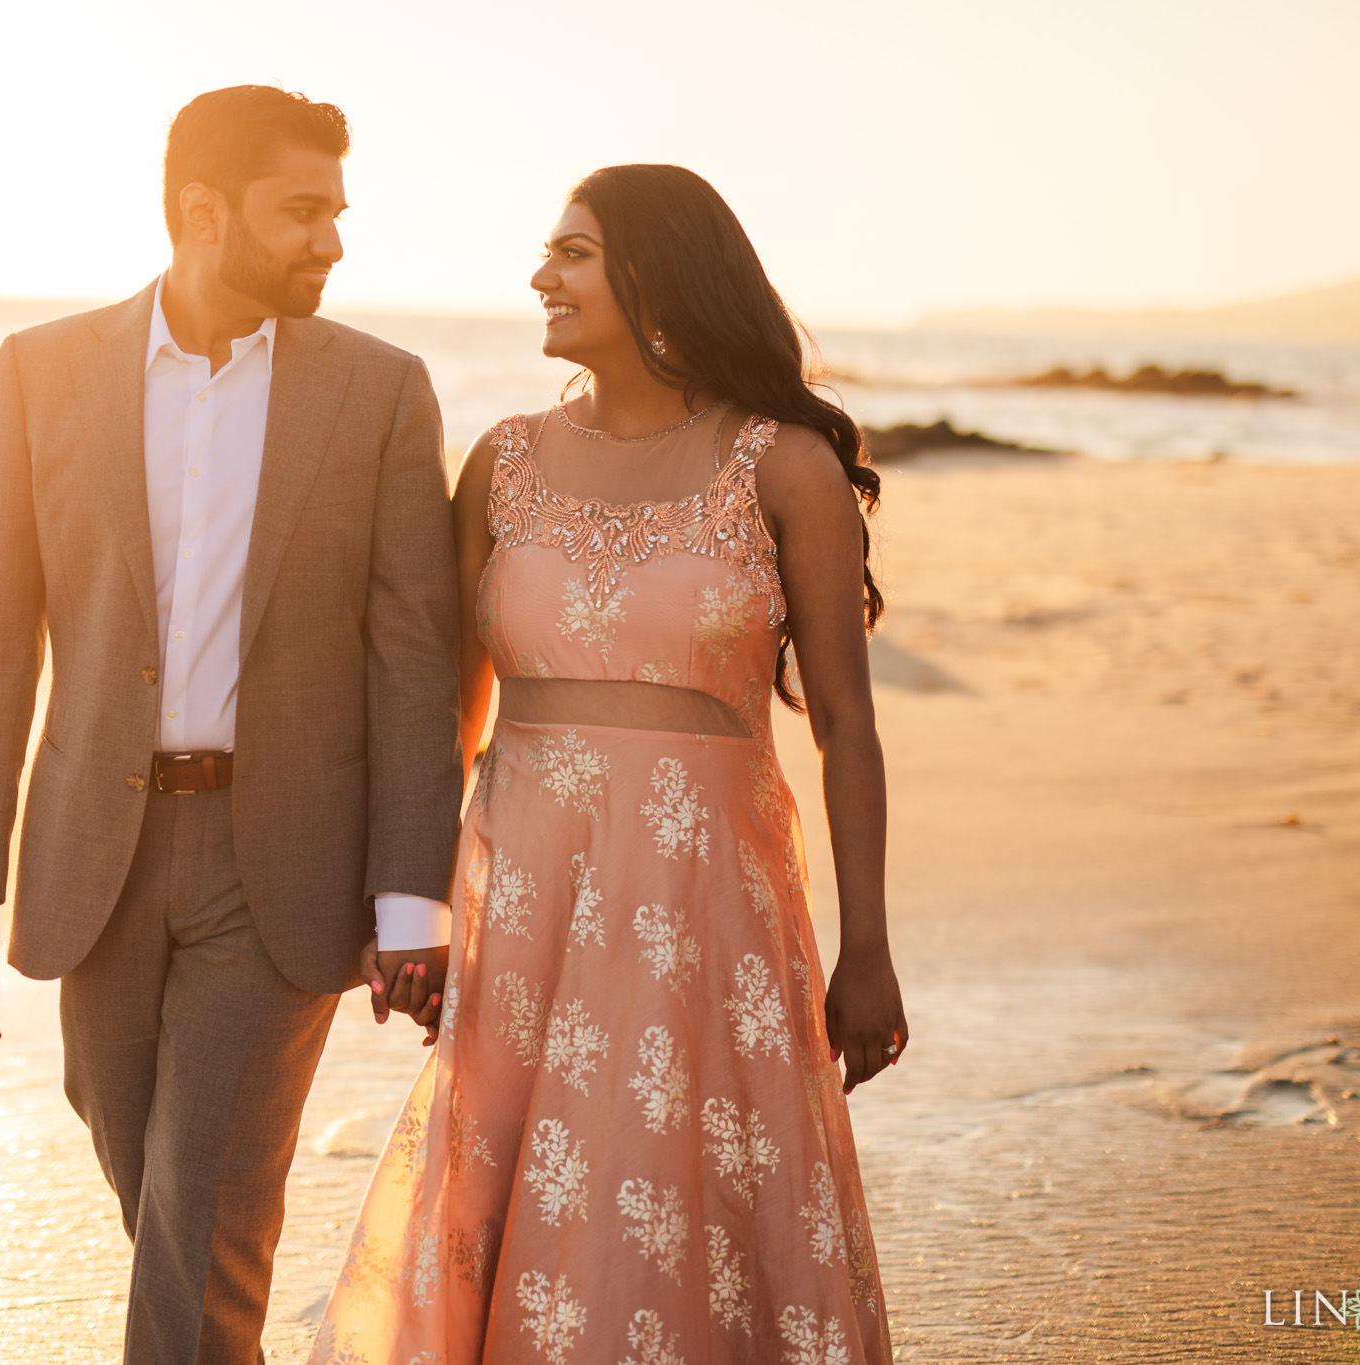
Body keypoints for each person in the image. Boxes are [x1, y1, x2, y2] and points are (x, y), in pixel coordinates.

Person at [312, 163, 909, 1364]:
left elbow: (844, 723)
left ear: (656, 273)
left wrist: (870, 948)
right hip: (522, 900)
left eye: (572, 253)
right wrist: (414, 909)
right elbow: (445, 715)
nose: (541, 276)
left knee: (662, 1195)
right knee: (511, 1195)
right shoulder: (503, 461)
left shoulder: (783, 466)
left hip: (704, 914)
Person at [0, 86, 462, 1364]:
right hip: (90, 859)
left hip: (277, 865)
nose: (331, 242)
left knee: (203, 1212)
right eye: (302, 213)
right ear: (198, 211)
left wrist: (408, 903)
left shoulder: (381, 393)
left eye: (338, 214)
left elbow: (412, 659)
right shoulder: (40, 371)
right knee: (164, 1193)